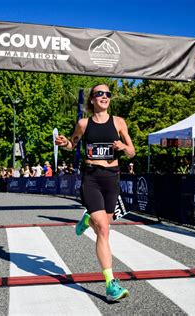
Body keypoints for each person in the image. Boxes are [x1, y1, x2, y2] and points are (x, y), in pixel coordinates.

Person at [55, 83, 135, 302]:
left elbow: (132, 151)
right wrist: (64, 143)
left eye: (108, 94)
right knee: (104, 230)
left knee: (104, 223)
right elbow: (73, 144)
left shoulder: (119, 122)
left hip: (112, 178)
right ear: (92, 99)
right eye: (100, 93)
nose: (104, 96)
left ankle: (88, 219)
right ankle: (111, 284)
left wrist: (123, 148)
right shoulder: (83, 123)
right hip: (91, 177)